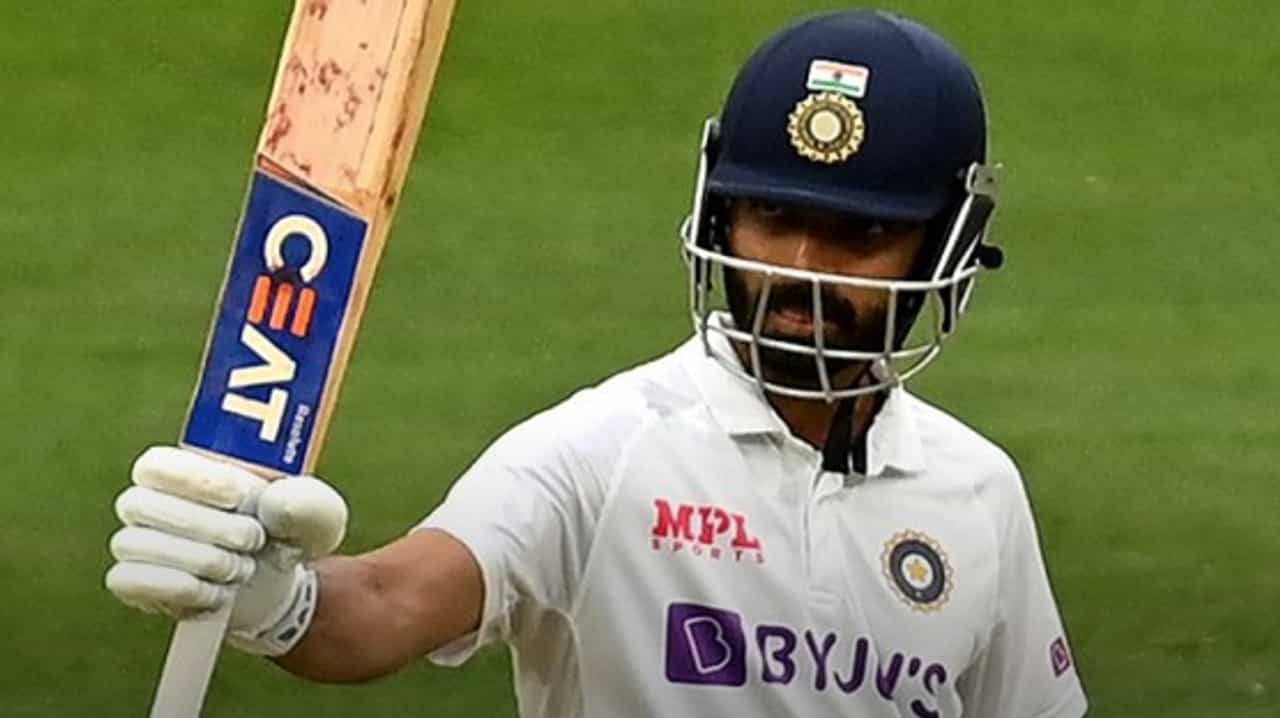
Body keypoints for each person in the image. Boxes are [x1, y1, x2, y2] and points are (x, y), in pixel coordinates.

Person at [107, 9, 1088, 717]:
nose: (797, 268)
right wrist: (276, 601)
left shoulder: (976, 492)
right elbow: (384, 605)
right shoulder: (604, 453)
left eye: (857, 235)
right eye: (772, 215)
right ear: (719, 213)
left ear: (946, 246)